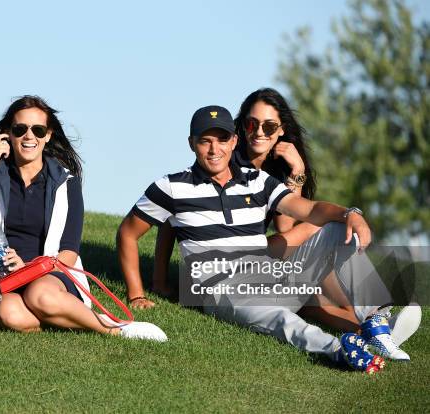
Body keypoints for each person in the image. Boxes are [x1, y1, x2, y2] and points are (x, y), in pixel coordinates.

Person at [117, 104, 417, 370]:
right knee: (281, 321)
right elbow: (128, 234)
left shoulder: (258, 180)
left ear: (233, 141)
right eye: (205, 141)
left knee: (338, 228)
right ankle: (340, 350)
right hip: (221, 290)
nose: (214, 149)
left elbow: (309, 209)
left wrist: (351, 213)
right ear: (191, 144)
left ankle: (376, 321)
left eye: (222, 140)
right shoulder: (171, 186)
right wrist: (136, 294)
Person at [144, 88, 359, 333]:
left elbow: (285, 226)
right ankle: (364, 316)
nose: (258, 132)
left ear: (281, 130)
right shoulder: (224, 160)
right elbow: (173, 218)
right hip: (232, 268)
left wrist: (297, 172)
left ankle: (364, 322)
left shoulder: (277, 166)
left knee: (330, 243)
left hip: (260, 257)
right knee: (319, 230)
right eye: (251, 124)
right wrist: (159, 281)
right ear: (240, 128)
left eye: (268, 127)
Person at [0, 95, 166, 341]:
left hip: (51, 274)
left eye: (38, 130)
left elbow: (69, 253)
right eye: (20, 129)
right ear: (8, 134)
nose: (29, 136)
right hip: (3, 275)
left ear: (48, 135)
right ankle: (60, 316)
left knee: (40, 295)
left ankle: (113, 329)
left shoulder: (66, 182)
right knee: (10, 314)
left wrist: (28, 267)